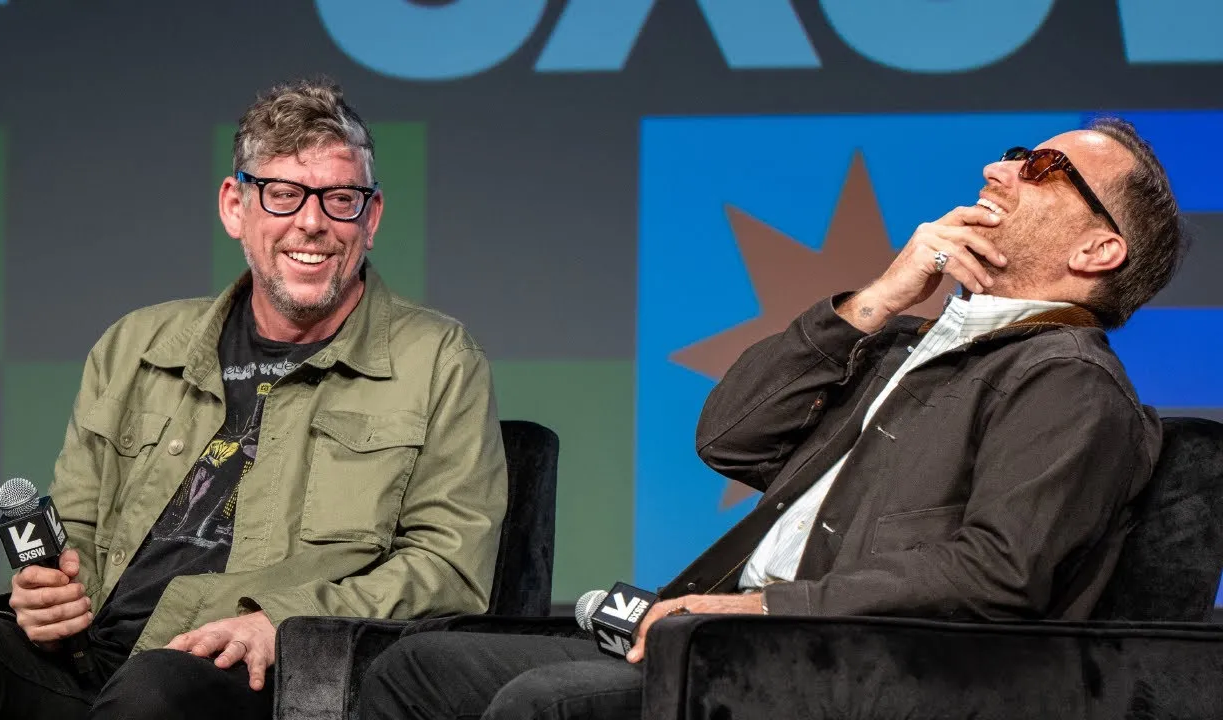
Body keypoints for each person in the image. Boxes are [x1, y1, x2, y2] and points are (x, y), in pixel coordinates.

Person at [361, 117, 1183, 719]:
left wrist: (754, 612)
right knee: (417, 668)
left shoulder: (1069, 381)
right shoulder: (906, 346)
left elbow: (997, 574)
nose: (998, 169)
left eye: (1041, 166)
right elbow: (730, 435)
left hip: (837, 671)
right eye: (1014, 152)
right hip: (722, 641)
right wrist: (879, 300)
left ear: (1097, 252)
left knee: (547, 703)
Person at [0, 78, 507, 720]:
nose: (313, 222)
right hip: (86, 664)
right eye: (284, 195)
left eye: (340, 198)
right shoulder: (136, 345)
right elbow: (79, 531)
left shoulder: (438, 360)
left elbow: (449, 570)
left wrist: (285, 622)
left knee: (155, 692)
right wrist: (47, 595)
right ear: (235, 206)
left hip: (243, 673)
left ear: (370, 218)